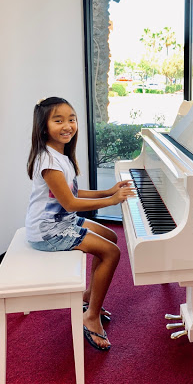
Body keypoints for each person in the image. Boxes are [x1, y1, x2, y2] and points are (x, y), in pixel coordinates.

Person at [25, 96, 135, 351]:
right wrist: (112, 201)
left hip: (62, 221)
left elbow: (73, 193)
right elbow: (70, 203)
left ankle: (88, 297)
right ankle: (91, 316)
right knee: (112, 252)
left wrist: (108, 191)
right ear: (44, 127)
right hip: (49, 231)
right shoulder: (49, 161)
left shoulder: (59, 154)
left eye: (71, 119)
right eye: (58, 121)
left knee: (111, 237)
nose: (68, 126)